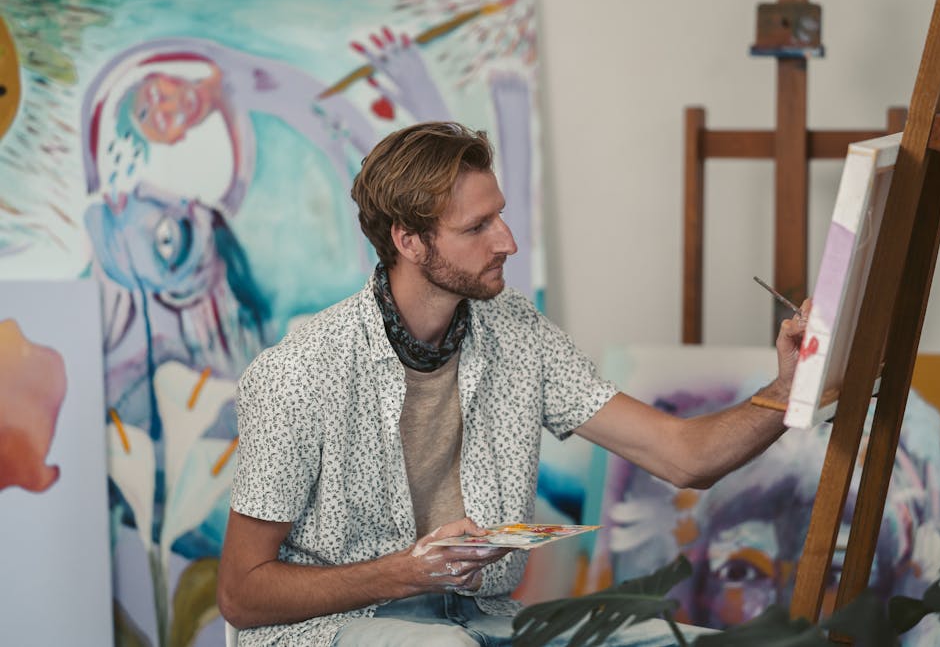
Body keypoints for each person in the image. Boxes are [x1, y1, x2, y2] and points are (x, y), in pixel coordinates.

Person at [216, 121, 809, 646]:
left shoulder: (517, 330)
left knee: (677, 641)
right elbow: (243, 595)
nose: (507, 241)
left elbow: (685, 458)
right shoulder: (299, 372)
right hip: (330, 631)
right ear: (409, 241)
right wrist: (410, 571)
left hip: (481, 617)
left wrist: (787, 389)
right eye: (478, 227)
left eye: (499, 215)